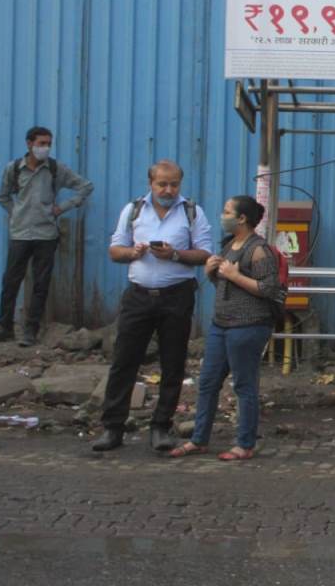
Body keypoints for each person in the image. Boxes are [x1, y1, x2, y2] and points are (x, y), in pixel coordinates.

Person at [93, 160, 212, 452]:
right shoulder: (133, 210)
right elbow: (114, 250)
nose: (168, 190)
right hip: (138, 296)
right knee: (124, 361)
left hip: (177, 296)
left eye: (174, 184)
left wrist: (174, 255)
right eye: (162, 184)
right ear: (151, 183)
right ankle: (113, 428)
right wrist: (132, 252)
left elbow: (205, 253)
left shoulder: (192, 212)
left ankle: (161, 426)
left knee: (173, 363)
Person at [170, 196, 282, 461]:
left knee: (244, 385)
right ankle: (199, 439)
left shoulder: (259, 250)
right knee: (207, 382)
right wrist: (212, 273)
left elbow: (269, 289)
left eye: (227, 212)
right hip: (221, 325)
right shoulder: (230, 245)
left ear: (242, 218)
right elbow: (226, 289)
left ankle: (245, 444)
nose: (223, 216)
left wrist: (235, 275)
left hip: (248, 327)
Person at [0, 126, 94, 346]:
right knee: (11, 282)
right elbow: (2, 197)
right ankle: (5, 328)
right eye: (41, 143)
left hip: (46, 235)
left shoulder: (55, 169)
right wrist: (17, 214)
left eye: (48, 143)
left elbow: (85, 187)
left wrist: (63, 207)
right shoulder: (14, 169)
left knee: (41, 284)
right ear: (29, 144)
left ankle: (31, 330)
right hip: (20, 234)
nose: (45, 148)